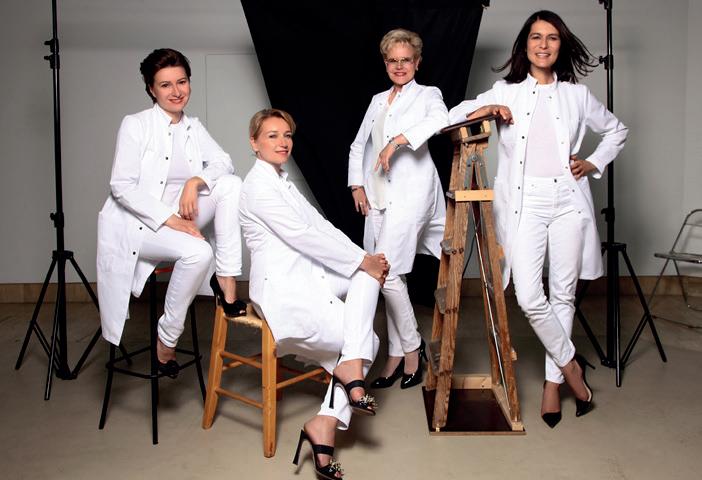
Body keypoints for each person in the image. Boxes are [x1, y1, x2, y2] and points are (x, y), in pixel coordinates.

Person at [449, 11, 628, 427]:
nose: (543, 45)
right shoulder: (506, 92)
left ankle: (552, 384)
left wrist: (593, 162)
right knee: (530, 296)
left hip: (568, 200)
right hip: (524, 202)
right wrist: (487, 108)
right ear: (524, 45)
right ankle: (570, 366)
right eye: (535, 37)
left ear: (561, 46)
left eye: (551, 38)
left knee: (563, 294)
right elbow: (454, 115)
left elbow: (617, 130)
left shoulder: (577, 95)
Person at [239, 109, 389, 479]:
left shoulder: (283, 181)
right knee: (365, 341)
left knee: (369, 277)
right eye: (272, 135)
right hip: (282, 286)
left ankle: (324, 420)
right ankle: (331, 411)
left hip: (310, 274)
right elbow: (302, 236)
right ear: (254, 143)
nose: (283, 142)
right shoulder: (257, 187)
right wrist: (362, 260)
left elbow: (320, 226)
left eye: (287, 135)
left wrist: (365, 259)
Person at [97, 48, 245, 378]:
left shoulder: (193, 126)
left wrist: (195, 181)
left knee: (231, 184)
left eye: (182, 82)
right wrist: (172, 220)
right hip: (140, 224)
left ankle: (226, 277)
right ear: (152, 89)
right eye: (165, 85)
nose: (176, 91)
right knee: (199, 252)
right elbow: (122, 186)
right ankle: (167, 338)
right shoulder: (136, 124)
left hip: (182, 214)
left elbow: (224, 162)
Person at [348, 28, 449, 390]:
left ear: (417, 62)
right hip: (377, 195)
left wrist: (397, 141)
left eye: (406, 60)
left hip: (412, 193)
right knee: (388, 275)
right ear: (385, 62)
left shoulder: (428, 95)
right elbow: (359, 144)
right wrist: (357, 185)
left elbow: (441, 120)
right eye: (393, 60)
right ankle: (395, 355)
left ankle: (411, 347)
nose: (400, 66)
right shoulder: (377, 100)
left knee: (387, 273)